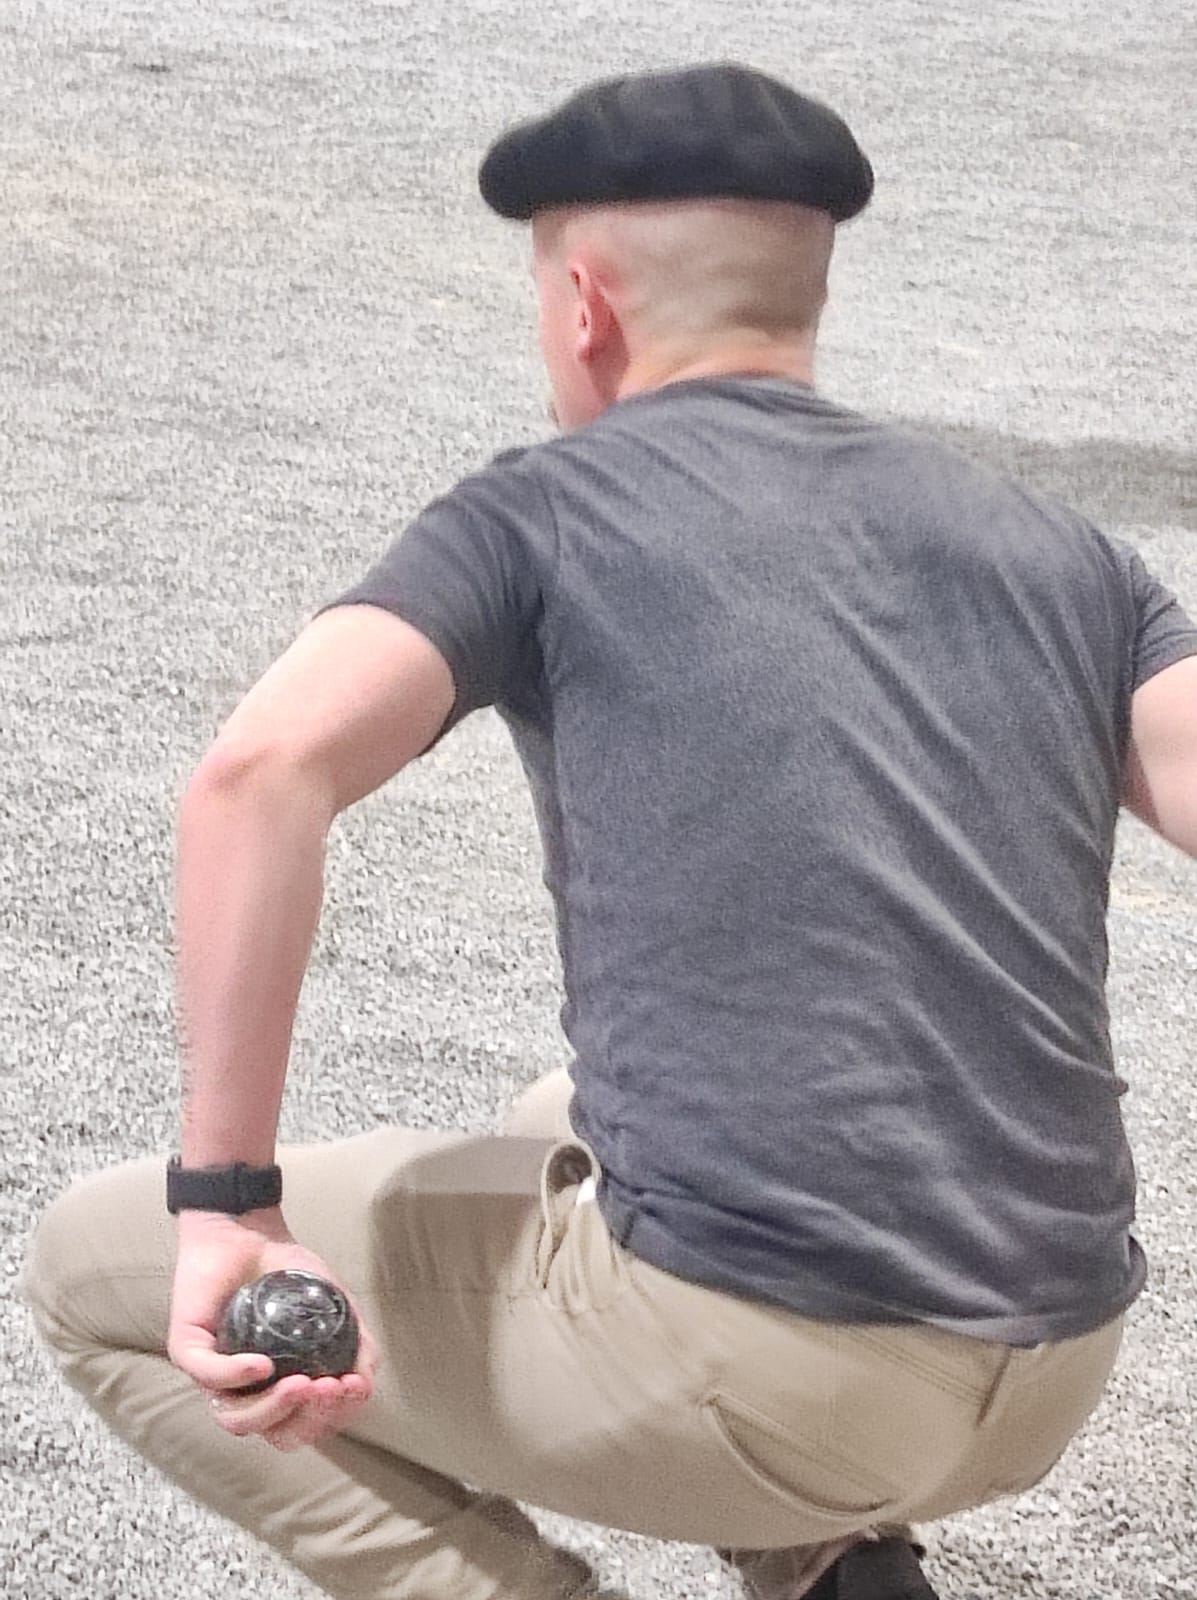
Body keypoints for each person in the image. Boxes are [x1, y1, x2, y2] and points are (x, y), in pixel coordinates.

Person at [20, 61, 1197, 1600]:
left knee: (88, 1270)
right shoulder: (1062, 551)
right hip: (1054, 1359)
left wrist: (226, 1204)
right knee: (553, 1116)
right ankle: (837, 1567)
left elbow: (258, 777)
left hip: (761, 1373)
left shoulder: (546, 512)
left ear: (583, 305)